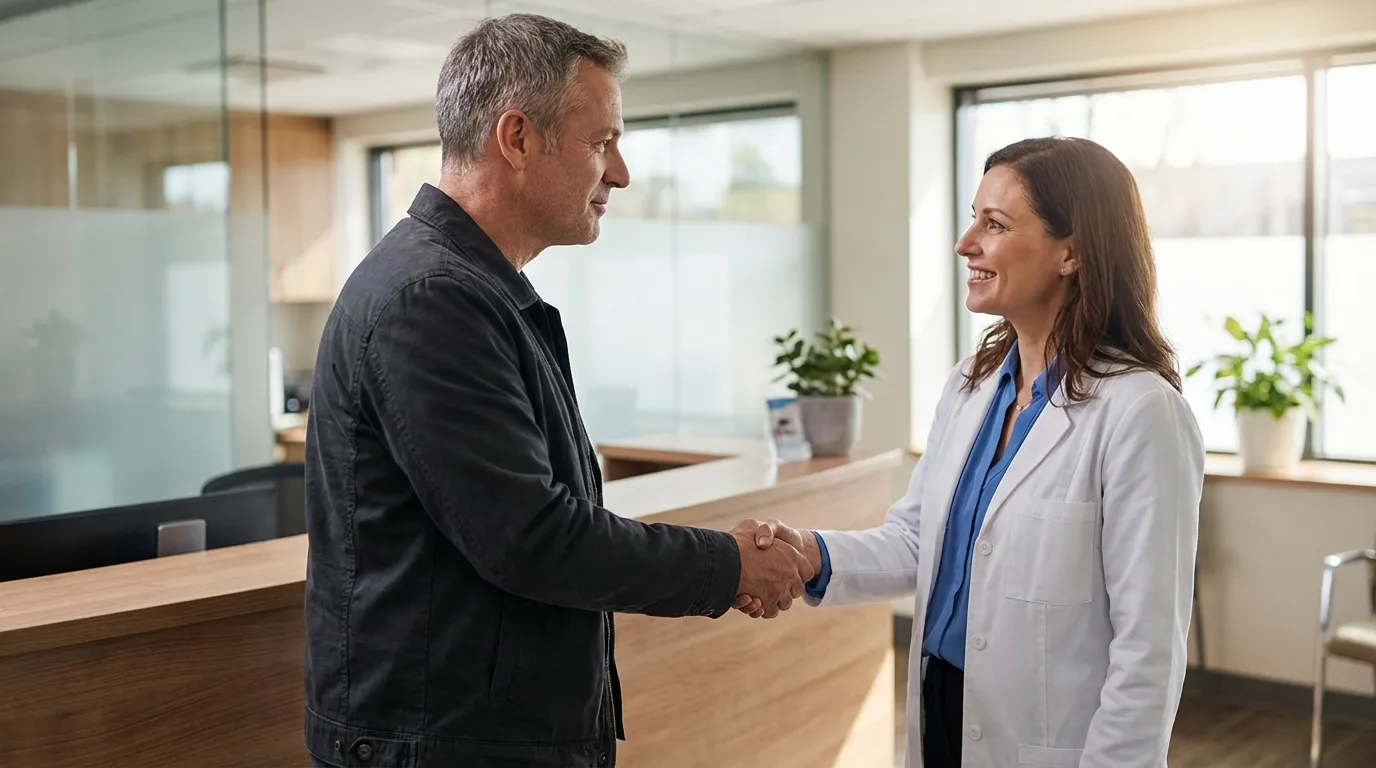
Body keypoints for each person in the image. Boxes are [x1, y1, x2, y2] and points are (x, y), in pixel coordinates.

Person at [302, 14, 813, 768]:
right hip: (446, 747)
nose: (621, 173)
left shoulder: (475, 289)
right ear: (517, 138)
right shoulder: (432, 299)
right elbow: (531, 539)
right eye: (602, 142)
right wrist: (730, 566)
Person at [734, 136, 1206, 766]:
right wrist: (810, 553)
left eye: (996, 224)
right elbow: (919, 541)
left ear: (1071, 252)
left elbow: (1148, 651)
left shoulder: (1140, 411)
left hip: (1049, 743)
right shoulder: (971, 385)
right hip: (942, 711)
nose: (965, 243)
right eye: (973, 219)